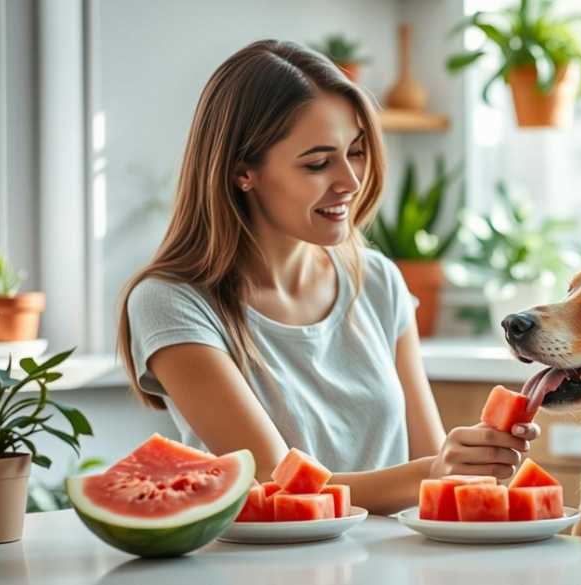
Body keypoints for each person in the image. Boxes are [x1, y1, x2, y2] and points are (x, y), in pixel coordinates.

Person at [117, 40, 537, 515]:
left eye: (355, 152)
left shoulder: (378, 280)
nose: (351, 181)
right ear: (242, 172)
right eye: (318, 163)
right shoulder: (171, 302)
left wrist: (471, 460)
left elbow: (430, 463)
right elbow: (279, 487)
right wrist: (436, 469)